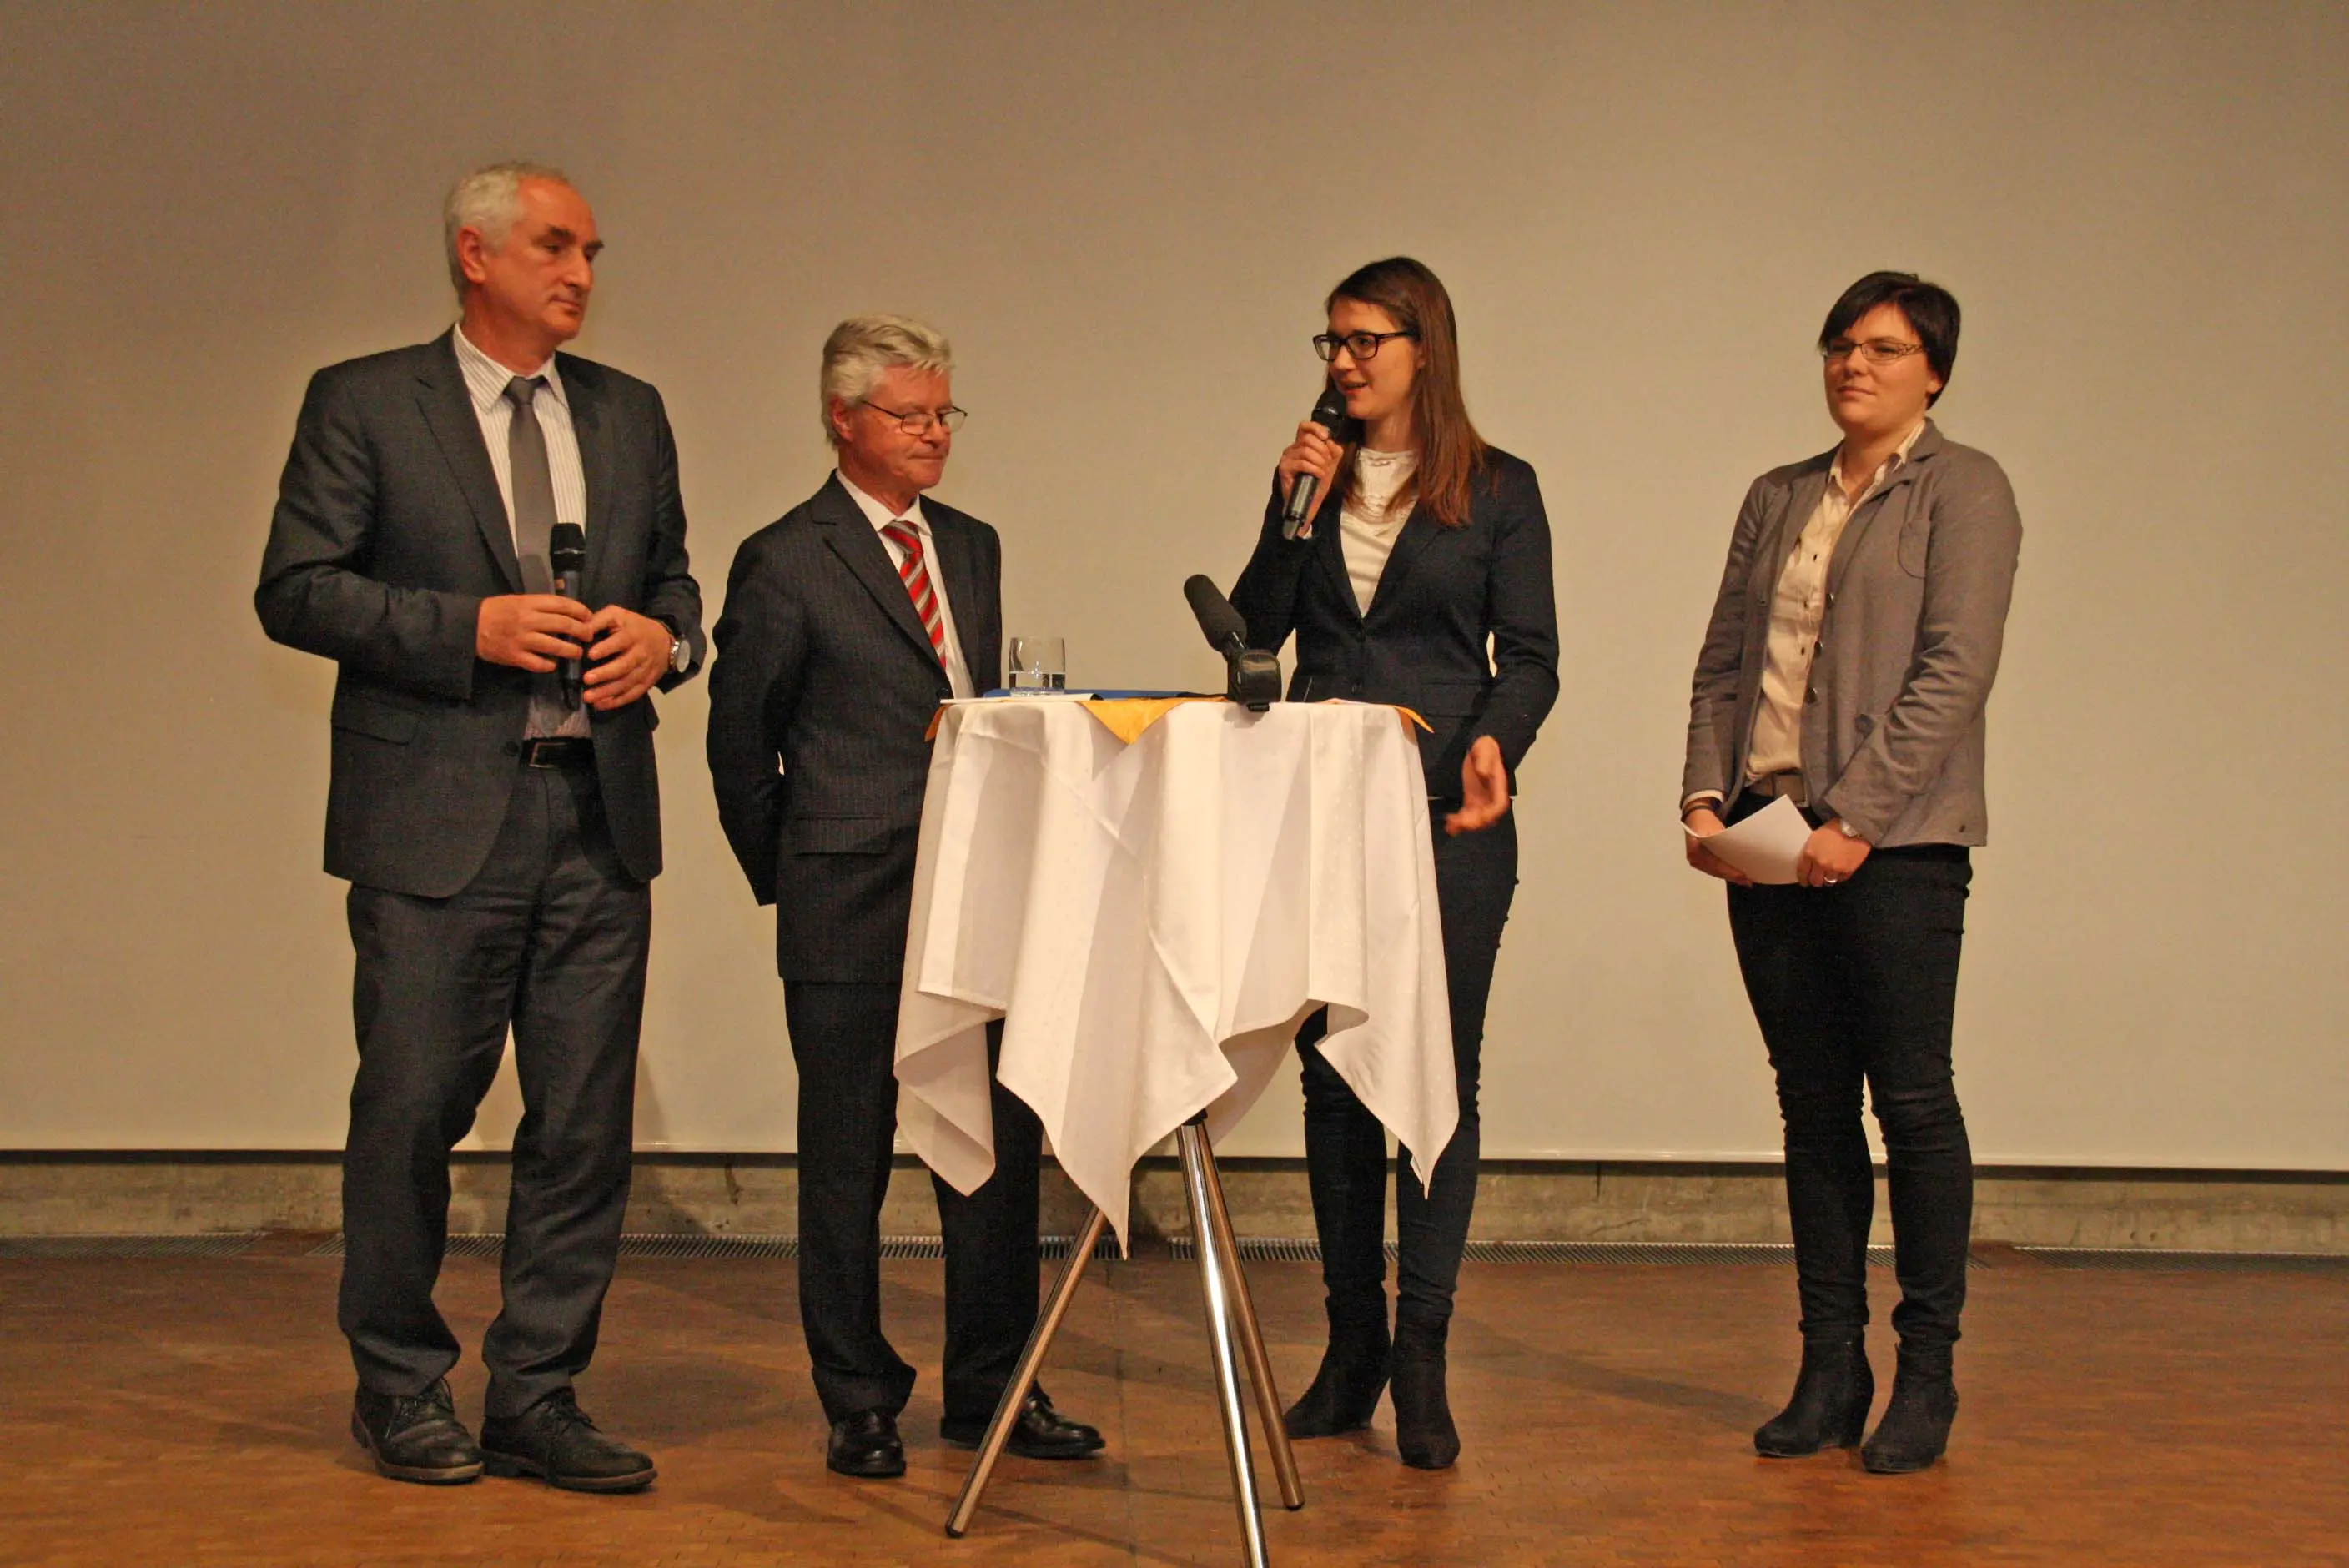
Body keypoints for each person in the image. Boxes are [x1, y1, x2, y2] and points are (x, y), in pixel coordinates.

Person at [255, 162, 702, 1491]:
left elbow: (675, 579)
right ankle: (399, 1386)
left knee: (583, 1126)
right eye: (555, 246)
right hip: (434, 822)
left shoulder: (627, 411)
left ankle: (538, 1394)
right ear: (475, 253)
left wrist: (665, 640)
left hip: (595, 816)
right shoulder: (365, 400)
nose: (580, 273)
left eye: (591, 252)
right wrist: (471, 628)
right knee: (409, 1111)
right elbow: (297, 588)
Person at [705, 316, 1104, 1480]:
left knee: (995, 1150)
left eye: (944, 414)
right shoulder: (786, 558)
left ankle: (994, 1387)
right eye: (910, 415)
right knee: (848, 1161)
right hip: (849, 897)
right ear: (844, 419)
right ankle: (859, 1398)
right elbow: (741, 747)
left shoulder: (970, 546)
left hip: (982, 896)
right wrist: (796, 872)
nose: (934, 434)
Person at [1679, 271, 2021, 1474]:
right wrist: (1706, 795)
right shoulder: (1779, 495)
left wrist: (1856, 818)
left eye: (1882, 348)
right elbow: (1724, 664)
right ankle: (1831, 1366)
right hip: (1769, 839)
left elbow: (1955, 669)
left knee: (1912, 1103)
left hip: (1901, 846)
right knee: (1811, 1105)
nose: (1853, 366)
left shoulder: (1964, 488)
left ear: (1936, 371)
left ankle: (1926, 1374)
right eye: (1839, 345)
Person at [1229, 257, 1558, 1470]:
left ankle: (1422, 1352)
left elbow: (1532, 657)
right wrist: (1290, 511)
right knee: (1331, 1079)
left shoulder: (1499, 488)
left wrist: (1492, 744)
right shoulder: (1308, 483)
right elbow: (1254, 634)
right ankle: (1351, 1344)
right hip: (1321, 810)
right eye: (1332, 342)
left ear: (1426, 349)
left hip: (1442, 815)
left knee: (1431, 1075)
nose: (1345, 362)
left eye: (1367, 340)